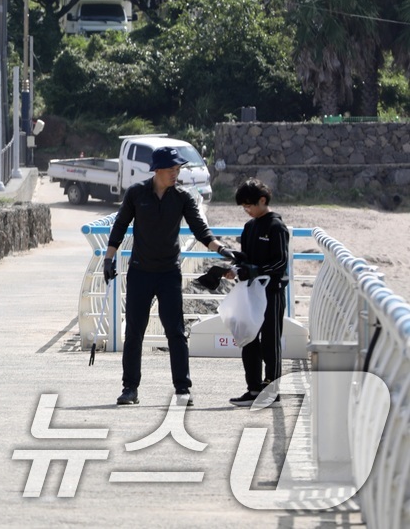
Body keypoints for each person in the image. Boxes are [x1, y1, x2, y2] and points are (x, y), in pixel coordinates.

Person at [104, 146, 227, 406]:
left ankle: (182, 389)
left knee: (176, 332)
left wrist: (221, 249)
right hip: (140, 272)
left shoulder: (182, 198)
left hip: (169, 272)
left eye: (178, 169)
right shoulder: (137, 193)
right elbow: (120, 225)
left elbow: (200, 229)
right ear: (158, 170)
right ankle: (130, 389)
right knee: (135, 331)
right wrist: (108, 258)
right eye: (172, 169)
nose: (176, 173)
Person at [225, 178, 290, 407]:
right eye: (244, 207)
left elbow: (280, 263)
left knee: (270, 341)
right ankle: (253, 388)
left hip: (271, 292)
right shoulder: (250, 227)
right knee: (248, 338)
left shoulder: (276, 227)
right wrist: (235, 268)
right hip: (250, 293)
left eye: (249, 206)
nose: (247, 210)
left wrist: (254, 271)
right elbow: (246, 258)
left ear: (263, 201)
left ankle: (271, 389)